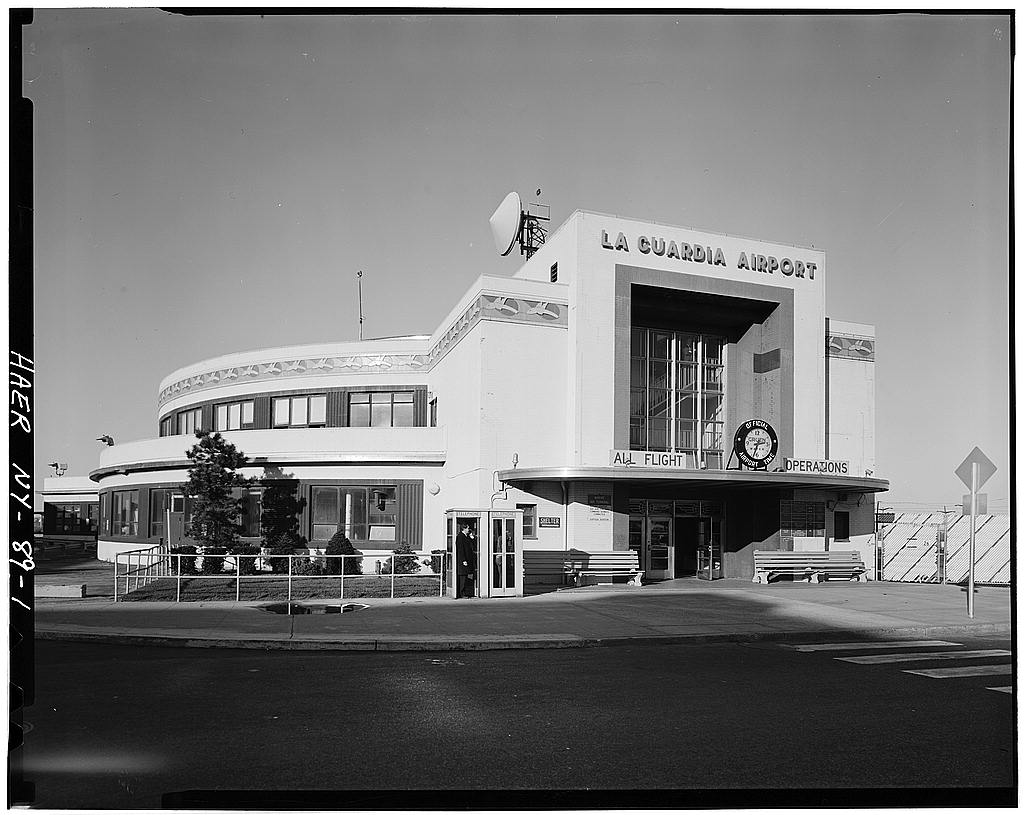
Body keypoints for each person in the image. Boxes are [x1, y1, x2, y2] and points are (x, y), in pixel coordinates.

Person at [455, 522, 475, 598]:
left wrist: (472, 537)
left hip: (468, 559)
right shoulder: (460, 537)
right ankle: (461, 592)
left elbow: (472, 546)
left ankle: (466, 592)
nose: (468, 530)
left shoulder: (466, 536)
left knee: (466, 576)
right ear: (464, 528)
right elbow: (460, 549)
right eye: (467, 528)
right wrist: (463, 560)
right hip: (463, 560)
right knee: (462, 577)